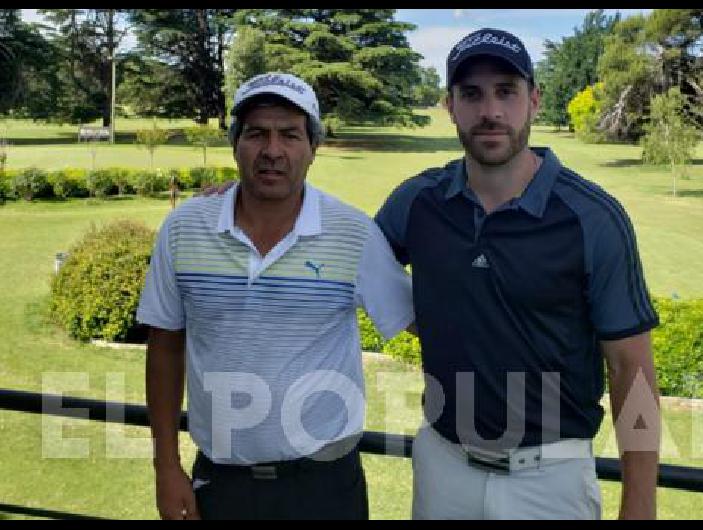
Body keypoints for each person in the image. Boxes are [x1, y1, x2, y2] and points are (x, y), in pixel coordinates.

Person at [374, 28, 661, 520]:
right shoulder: (419, 202)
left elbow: (630, 370)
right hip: (443, 467)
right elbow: (349, 253)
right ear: (450, 105)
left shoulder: (592, 218)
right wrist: (243, 198)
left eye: (506, 91)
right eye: (472, 94)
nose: (490, 111)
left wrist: (640, 505)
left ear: (534, 101)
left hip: (550, 480)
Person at [136, 72, 415, 520]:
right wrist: (165, 467)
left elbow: (423, 321)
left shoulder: (353, 233)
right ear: (235, 144)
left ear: (313, 148)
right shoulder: (184, 229)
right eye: (256, 134)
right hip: (222, 483)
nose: (272, 151)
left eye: (289, 134)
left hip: (325, 487)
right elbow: (165, 347)